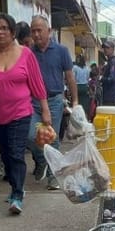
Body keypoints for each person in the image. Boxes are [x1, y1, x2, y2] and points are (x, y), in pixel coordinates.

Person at [0, 13, 52, 215]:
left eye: (4, 28)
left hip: (21, 112)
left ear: (12, 32)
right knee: (7, 156)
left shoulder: (26, 54)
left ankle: (17, 194)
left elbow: (37, 84)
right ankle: (15, 185)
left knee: (17, 153)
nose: (0, 32)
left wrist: (45, 109)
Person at [28, 14, 76, 190]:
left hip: (55, 100)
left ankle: (53, 176)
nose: (36, 34)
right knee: (31, 136)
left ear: (49, 31)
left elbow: (70, 77)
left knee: (52, 138)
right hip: (32, 102)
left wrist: (75, 100)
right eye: (33, 31)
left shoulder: (62, 51)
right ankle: (41, 161)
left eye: (39, 30)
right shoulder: (28, 53)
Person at [100, 41, 115, 106]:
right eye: (104, 48)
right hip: (107, 95)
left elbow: (112, 79)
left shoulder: (113, 62)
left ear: (112, 49)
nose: (105, 50)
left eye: (107, 48)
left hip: (110, 97)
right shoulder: (109, 62)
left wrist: (102, 78)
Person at [73, 54, 91, 118]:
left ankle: (77, 117)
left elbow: (73, 78)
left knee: (77, 104)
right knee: (84, 104)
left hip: (77, 87)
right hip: (85, 87)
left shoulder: (75, 68)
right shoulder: (87, 68)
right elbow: (87, 78)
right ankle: (85, 117)